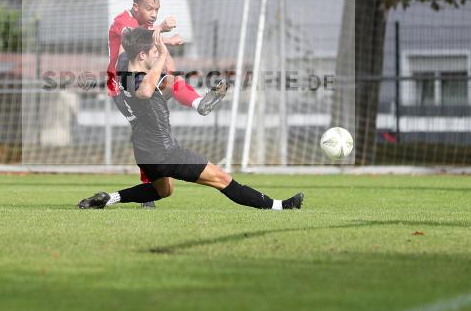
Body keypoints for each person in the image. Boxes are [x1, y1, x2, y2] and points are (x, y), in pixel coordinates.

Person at [79, 27, 303, 210]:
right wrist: (163, 56)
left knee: (163, 191)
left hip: (145, 152)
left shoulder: (125, 74)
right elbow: (146, 92)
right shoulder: (138, 80)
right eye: (154, 53)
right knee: (222, 179)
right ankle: (281, 206)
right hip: (165, 152)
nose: (158, 55)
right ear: (142, 56)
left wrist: (162, 47)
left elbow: (156, 93)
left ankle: (108, 198)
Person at [107, 0, 228, 207]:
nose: (154, 14)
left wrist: (166, 46)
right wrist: (162, 30)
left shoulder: (147, 30)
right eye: (149, 9)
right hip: (121, 89)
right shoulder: (122, 21)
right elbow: (130, 36)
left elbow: (160, 57)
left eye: (157, 9)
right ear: (135, 7)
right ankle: (150, 192)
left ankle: (199, 102)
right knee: (145, 130)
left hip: (141, 85)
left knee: (171, 80)